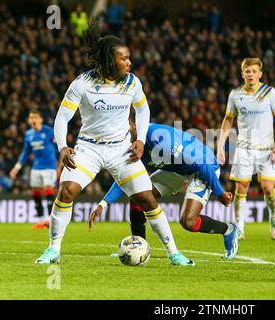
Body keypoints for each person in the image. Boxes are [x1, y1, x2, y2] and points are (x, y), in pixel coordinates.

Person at [35, 19, 193, 266]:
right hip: (89, 148)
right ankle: (53, 249)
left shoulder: (132, 82)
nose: (129, 62)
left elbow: (143, 111)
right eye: (124, 58)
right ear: (111, 60)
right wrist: (63, 147)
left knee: (147, 199)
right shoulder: (82, 83)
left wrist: (140, 139)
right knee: (67, 192)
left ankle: (174, 253)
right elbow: (61, 118)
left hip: (121, 150)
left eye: (129, 57)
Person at [89, 123, 238, 259]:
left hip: (203, 168)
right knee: (138, 196)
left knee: (188, 221)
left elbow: (202, 164)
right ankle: (139, 247)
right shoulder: (127, 146)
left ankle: (228, 230)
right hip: (176, 169)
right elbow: (126, 179)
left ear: (135, 126)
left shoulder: (160, 140)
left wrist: (220, 192)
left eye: (127, 130)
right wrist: (104, 203)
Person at [217, 57, 275, 240]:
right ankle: (239, 228)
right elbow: (228, 120)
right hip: (244, 148)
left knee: (268, 189)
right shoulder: (236, 94)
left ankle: (273, 218)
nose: (250, 74)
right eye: (247, 71)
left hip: (266, 149)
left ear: (260, 74)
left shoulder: (270, 93)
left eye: (254, 71)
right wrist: (220, 146)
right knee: (241, 187)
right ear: (242, 74)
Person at [10, 110, 57, 229]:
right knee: (36, 192)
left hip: (49, 166)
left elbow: (59, 145)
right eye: (31, 118)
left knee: (48, 189)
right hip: (36, 167)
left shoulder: (49, 131)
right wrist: (16, 167)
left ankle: (51, 219)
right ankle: (41, 220)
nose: (33, 120)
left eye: (35, 117)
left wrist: (61, 164)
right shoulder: (29, 134)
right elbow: (25, 153)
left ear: (41, 119)